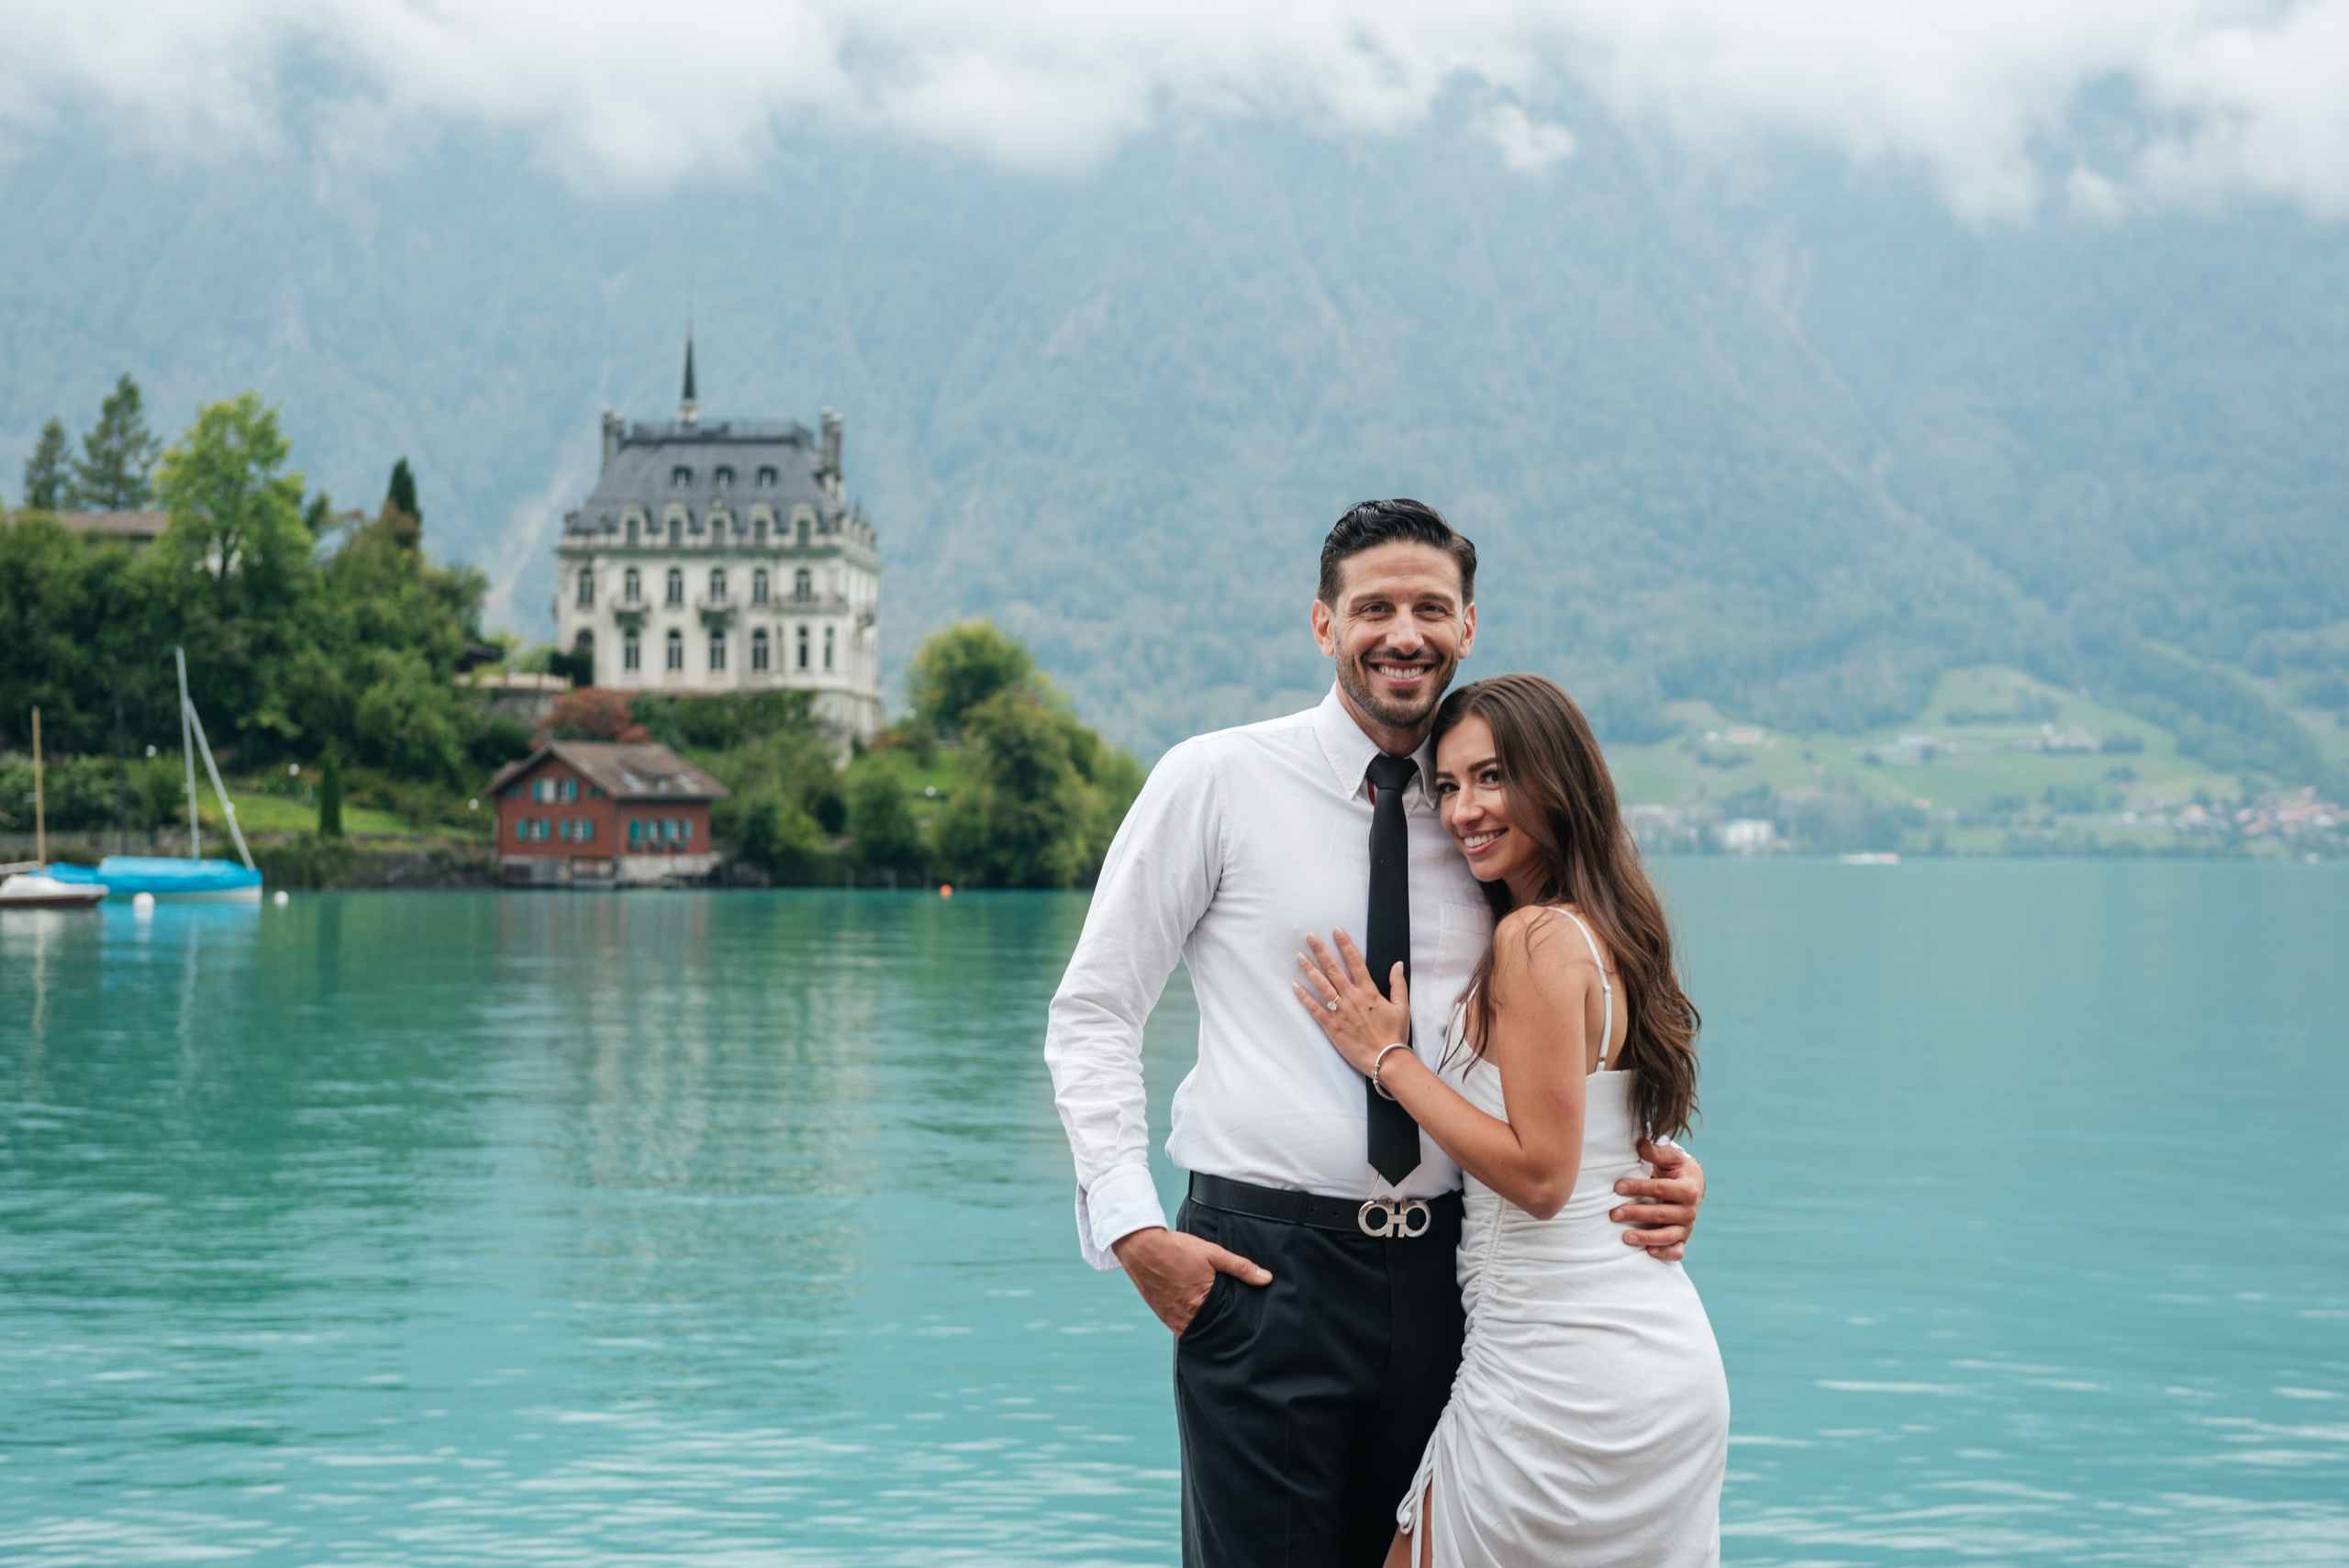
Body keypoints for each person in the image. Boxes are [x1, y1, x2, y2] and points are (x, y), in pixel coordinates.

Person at [1044, 500, 1708, 1568]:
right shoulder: (1214, 779)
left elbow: (1567, 1022)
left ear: (1469, 625)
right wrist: (1131, 1230)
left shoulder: (1486, 812)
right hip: (1264, 1271)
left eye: (1429, 607)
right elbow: (1092, 1010)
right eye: (1375, 607)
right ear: (1322, 624)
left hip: (1461, 1285)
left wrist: (1648, 1166)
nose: (1404, 631)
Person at [1293, 673, 1729, 1567]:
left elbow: (1539, 1175)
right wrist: (1683, 1171)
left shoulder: (1532, 942)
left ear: (1556, 780)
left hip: (1558, 1366)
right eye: (1447, 785)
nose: (1463, 809)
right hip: (1651, 1352)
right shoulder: (1611, 931)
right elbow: (1610, 1130)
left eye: (1491, 777)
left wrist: (1387, 1057)